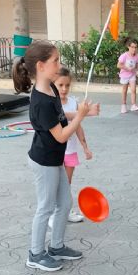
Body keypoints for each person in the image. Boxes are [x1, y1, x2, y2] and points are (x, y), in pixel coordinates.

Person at [12, 40, 94, 272]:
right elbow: (60, 136)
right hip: (44, 161)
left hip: (54, 158)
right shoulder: (40, 101)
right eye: (55, 60)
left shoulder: (52, 88)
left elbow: (61, 114)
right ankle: (36, 254)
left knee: (65, 203)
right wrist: (80, 117)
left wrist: (84, 113)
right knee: (45, 207)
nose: (59, 63)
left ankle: (56, 247)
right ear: (40, 66)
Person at [47, 67, 93, 224]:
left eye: (67, 85)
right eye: (60, 85)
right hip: (56, 151)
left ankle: (66, 211)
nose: (64, 89)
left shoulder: (74, 102)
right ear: (53, 84)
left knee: (66, 184)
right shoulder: (51, 103)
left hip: (70, 150)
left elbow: (78, 125)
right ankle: (53, 214)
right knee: (56, 184)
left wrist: (85, 146)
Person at [117, 38, 138, 114]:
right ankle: (123, 105)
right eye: (132, 47)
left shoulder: (137, 56)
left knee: (133, 89)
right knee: (124, 90)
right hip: (124, 75)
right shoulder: (124, 56)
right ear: (128, 47)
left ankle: (133, 105)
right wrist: (127, 68)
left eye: (135, 47)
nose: (134, 49)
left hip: (132, 75)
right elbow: (118, 65)